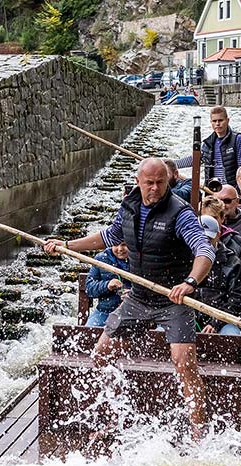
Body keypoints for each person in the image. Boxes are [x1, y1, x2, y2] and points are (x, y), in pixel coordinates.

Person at [43, 157, 214, 440]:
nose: (155, 189)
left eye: (161, 183)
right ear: (139, 182)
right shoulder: (130, 207)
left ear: (168, 181)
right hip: (138, 298)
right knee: (101, 355)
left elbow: (204, 251)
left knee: (184, 361)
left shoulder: (180, 213)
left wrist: (190, 282)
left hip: (174, 299)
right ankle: (117, 413)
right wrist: (67, 246)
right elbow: (108, 236)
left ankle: (198, 429)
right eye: (150, 183)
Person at [194, 215, 241, 335]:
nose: (204, 244)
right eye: (199, 239)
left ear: (218, 235)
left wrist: (216, 323)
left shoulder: (233, 263)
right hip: (188, 318)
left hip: (225, 320)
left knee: (231, 336)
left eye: (208, 239)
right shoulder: (182, 261)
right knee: (161, 334)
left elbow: (238, 300)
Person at [176, 106, 241, 187]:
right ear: (211, 122)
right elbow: (195, 159)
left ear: (227, 120)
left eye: (220, 120)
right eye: (214, 121)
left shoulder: (238, 139)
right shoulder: (207, 143)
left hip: (233, 190)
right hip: (213, 190)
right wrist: (172, 164)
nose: (217, 124)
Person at [201, 195, 241, 276]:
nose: (209, 222)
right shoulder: (189, 241)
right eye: (205, 218)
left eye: (214, 218)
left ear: (222, 218)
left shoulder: (238, 243)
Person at [84, 243, 130, 327]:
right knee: (87, 333)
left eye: (124, 245)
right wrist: (107, 285)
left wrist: (134, 295)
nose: (120, 249)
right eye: (116, 245)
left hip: (134, 313)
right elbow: (89, 288)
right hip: (105, 311)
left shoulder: (141, 260)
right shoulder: (101, 259)